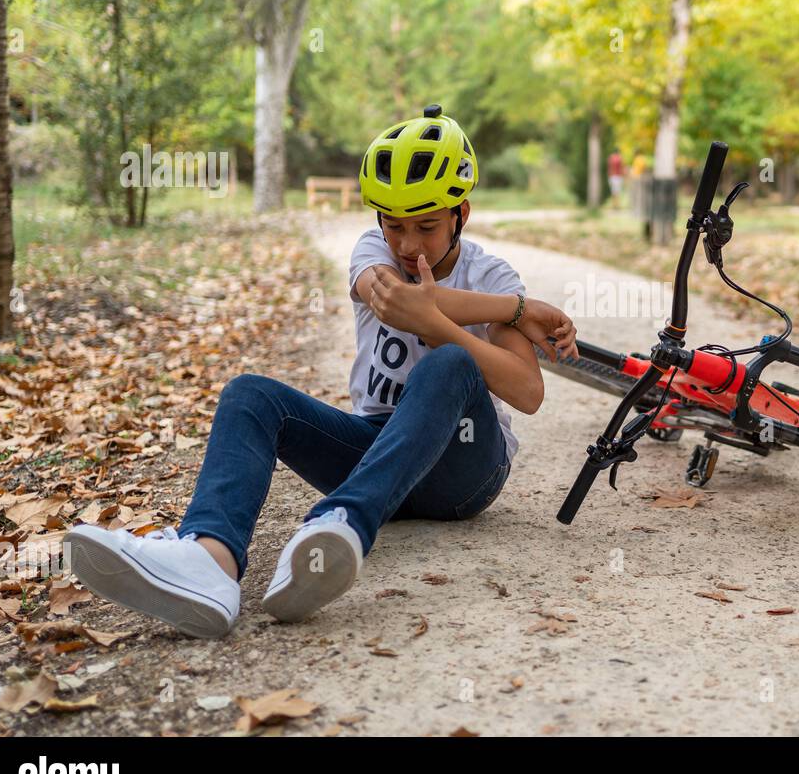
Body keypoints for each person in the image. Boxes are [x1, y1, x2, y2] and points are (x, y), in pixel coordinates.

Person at [64, 105, 579, 638]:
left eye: (426, 227)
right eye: (393, 224)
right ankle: (210, 562)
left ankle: (343, 524)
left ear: (461, 215)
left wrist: (447, 323)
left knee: (452, 360)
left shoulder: (493, 274)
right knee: (249, 395)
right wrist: (516, 309)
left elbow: (528, 392)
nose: (407, 245)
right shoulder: (373, 250)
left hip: (465, 472)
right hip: (375, 449)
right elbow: (396, 301)